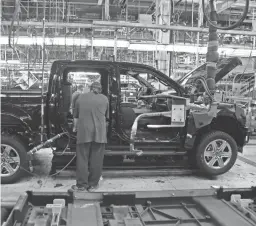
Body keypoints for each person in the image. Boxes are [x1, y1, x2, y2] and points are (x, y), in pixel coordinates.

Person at [71, 82, 109, 192]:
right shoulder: (105, 99)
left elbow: (76, 118)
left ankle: (81, 186)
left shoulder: (80, 97)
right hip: (100, 134)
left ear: (90, 88)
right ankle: (93, 185)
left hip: (84, 132)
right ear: (100, 89)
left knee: (82, 159)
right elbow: (106, 117)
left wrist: (75, 128)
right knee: (96, 160)